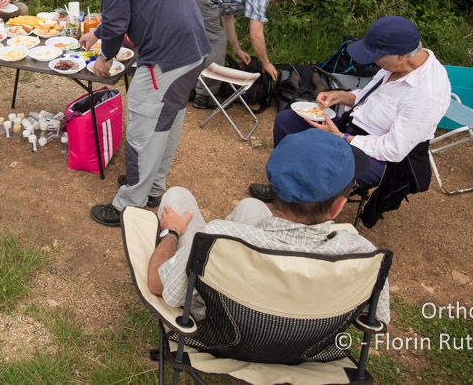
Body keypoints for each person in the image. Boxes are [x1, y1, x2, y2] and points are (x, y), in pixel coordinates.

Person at [148, 129, 389, 325]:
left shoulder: (218, 238)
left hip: (224, 326)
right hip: (307, 346)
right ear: (338, 208)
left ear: (274, 188)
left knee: (177, 196)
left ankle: (189, 252)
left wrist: (171, 232)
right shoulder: (364, 254)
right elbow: (375, 317)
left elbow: (157, 284)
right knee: (250, 207)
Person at [69, 0, 210, 227]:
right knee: (167, 119)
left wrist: (104, 58)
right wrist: (97, 33)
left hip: (167, 53)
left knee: (144, 124)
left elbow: (118, 17)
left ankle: (129, 205)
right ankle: (153, 188)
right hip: (192, 47)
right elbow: (130, 4)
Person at [250, 15, 451, 203]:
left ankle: (305, 208)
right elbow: (366, 98)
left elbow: (393, 150)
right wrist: (339, 96)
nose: (374, 61)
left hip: (381, 158)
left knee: (320, 157)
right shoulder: (394, 66)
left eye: (378, 56)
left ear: (401, 55)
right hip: (349, 128)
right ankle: (282, 185)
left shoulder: (428, 93)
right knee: (287, 121)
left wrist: (342, 138)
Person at [181, 0, 297, 109]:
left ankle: (186, 87)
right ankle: (204, 96)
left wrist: (236, 48)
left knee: (196, 37)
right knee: (216, 40)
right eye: (281, 0)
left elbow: (227, 16)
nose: (275, 3)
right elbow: (255, 35)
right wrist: (266, 63)